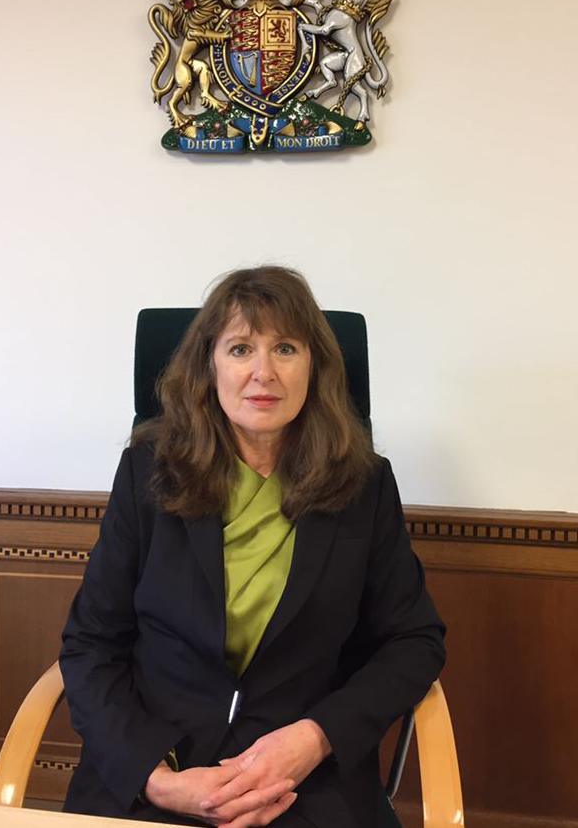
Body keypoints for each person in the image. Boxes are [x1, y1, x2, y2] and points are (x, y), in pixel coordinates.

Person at [60, 265, 445, 828]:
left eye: (285, 348)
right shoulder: (148, 473)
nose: (263, 373)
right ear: (208, 366)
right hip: (158, 772)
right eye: (241, 349)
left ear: (315, 366)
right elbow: (91, 644)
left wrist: (315, 739)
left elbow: (414, 640)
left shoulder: (363, 484)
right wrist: (157, 777)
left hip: (302, 784)